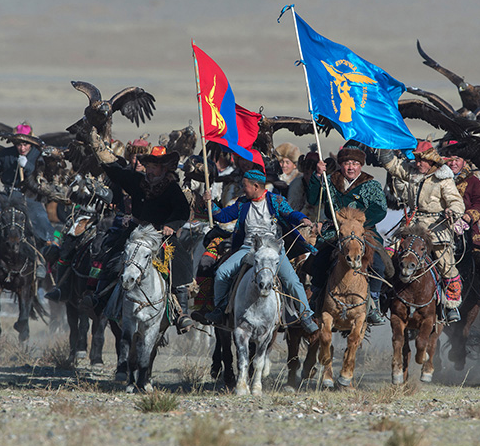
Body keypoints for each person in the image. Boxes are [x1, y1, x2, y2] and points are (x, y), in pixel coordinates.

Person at [65, 133, 194, 333]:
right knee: (109, 254)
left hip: (161, 234)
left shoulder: (172, 189)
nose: (149, 171)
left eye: (154, 167)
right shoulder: (138, 182)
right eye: (148, 166)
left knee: (178, 263)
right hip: (137, 230)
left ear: (163, 168)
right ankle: (98, 297)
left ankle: (181, 313)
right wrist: (101, 152)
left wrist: (172, 225)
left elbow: (183, 211)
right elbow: (118, 174)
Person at [202, 169, 319, 334]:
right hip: (248, 249)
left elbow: (290, 214)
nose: (243, 189)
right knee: (222, 272)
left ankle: (306, 314)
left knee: (292, 281)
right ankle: (221, 309)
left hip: (273, 250)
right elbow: (223, 216)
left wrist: (301, 219)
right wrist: (210, 204)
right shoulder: (242, 203)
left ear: (256, 186)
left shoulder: (276, 201)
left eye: (245, 186)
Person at [378, 141, 466, 323]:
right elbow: (393, 166)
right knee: (388, 253)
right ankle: (382, 294)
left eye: (421, 160)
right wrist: (384, 143)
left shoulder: (444, 179)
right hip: (411, 224)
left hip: (436, 227)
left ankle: (451, 305)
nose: (417, 163)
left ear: (431, 161)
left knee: (445, 263)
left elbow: (457, 203)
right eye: (416, 158)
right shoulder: (411, 172)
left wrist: (453, 211)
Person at [308, 145, 388, 325]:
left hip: (364, 232)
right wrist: (317, 176)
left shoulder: (371, 184)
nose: (350, 167)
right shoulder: (330, 182)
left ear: (361, 165)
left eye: (355, 163)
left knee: (380, 264)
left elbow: (380, 210)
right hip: (335, 231)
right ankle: (316, 299)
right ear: (340, 165)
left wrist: (358, 224)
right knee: (318, 260)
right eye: (346, 163)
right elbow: (313, 200)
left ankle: (373, 302)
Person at [0, 127, 54, 278]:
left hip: (30, 198)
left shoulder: (39, 156)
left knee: (42, 228)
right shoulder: (5, 154)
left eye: (26, 144)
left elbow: (44, 178)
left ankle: (40, 262)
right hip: (6, 197)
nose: (22, 147)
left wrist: (28, 167)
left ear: (31, 143)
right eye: (19, 144)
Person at [442, 143, 480, 313]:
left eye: (457, 159)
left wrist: (468, 216)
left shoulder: (474, 182)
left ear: (464, 161)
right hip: (440, 229)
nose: (453, 163)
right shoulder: (437, 179)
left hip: (468, 231)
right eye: (450, 159)